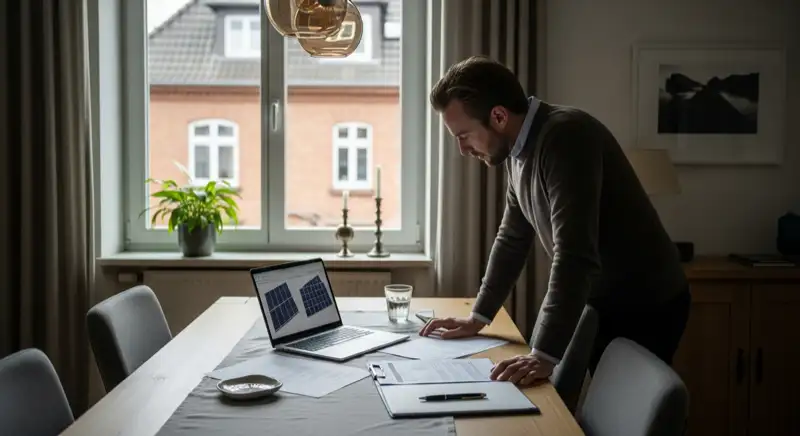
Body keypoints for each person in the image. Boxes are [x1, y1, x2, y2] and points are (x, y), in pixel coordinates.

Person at [420, 55, 691, 387]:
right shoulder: (517, 150)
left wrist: (542, 354)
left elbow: (574, 254)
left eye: (464, 135)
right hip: (602, 297)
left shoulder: (566, 137)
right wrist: (478, 317)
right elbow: (512, 238)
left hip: (646, 302)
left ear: (499, 116)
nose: (463, 149)